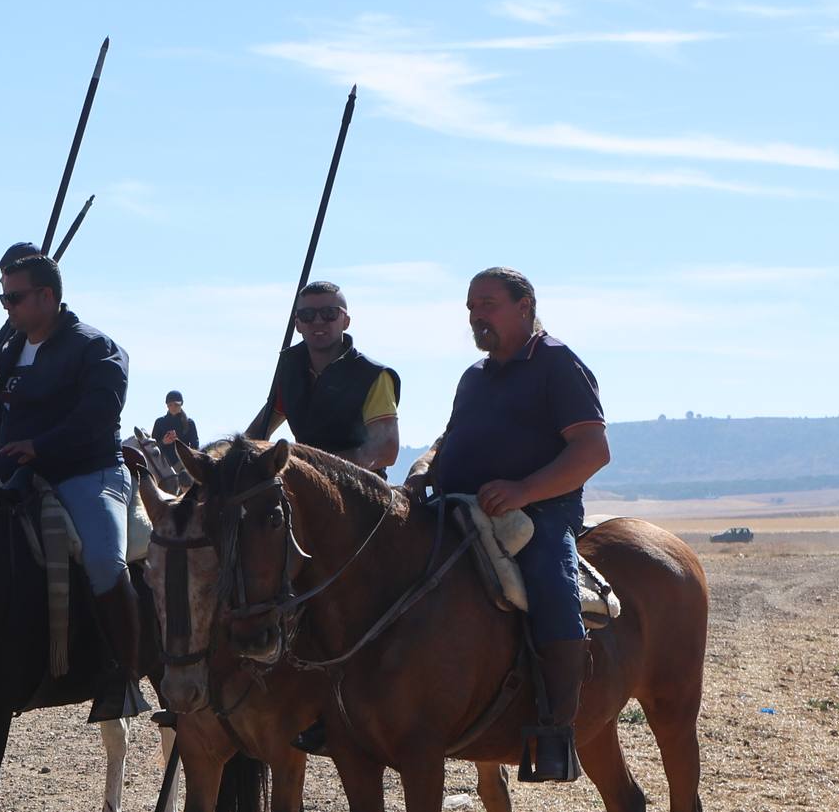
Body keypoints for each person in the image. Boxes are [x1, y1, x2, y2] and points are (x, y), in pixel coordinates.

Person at [413, 268, 608, 782]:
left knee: (549, 575)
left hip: (539, 512)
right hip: (461, 505)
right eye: (471, 307)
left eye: (489, 304)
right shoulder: (474, 377)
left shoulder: (556, 362)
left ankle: (556, 728)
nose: (477, 315)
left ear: (525, 306)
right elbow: (450, 436)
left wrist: (523, 490)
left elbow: (592, 449)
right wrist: (424, 464)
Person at [0, 249, 143, 711]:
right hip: (17, 473)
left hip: (87, 473)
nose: (7, 308)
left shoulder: (96, 347)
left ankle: (124, 672)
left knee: (105, 561)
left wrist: (40, 446)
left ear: (47, 295)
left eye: (14, 299)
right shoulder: (12, 347)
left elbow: (99, 415)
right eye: (3, 300)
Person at [247, 280, 400, 473]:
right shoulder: (291, 371)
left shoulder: (373, 376)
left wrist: (307, 464)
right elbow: (256, 434)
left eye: (329, 313)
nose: (318, 321)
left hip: (360, 491)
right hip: (302, 487)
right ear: (298, 324)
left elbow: (385, 451)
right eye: (307, 315)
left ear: (346, 321)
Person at [149, 390, 198, 481]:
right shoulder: (160, 422)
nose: (173, 407)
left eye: (176, 404)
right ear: (167, 405)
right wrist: (164, 442)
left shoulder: (189, 423)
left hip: (184, 465)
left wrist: (179, 443)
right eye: (170, 405)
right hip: (163, 466)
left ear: (181, 404)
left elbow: (195, 445)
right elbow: (152, 447)